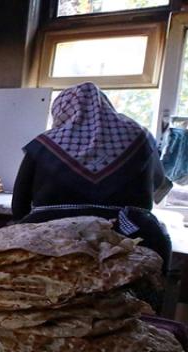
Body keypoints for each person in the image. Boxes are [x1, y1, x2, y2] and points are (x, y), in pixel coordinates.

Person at [11, 81, 171, 271]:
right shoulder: (141, 137)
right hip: (128, 235)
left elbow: (19, 205)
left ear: (62, 112)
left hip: (50, 237)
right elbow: (157, 185)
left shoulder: (45, 144)